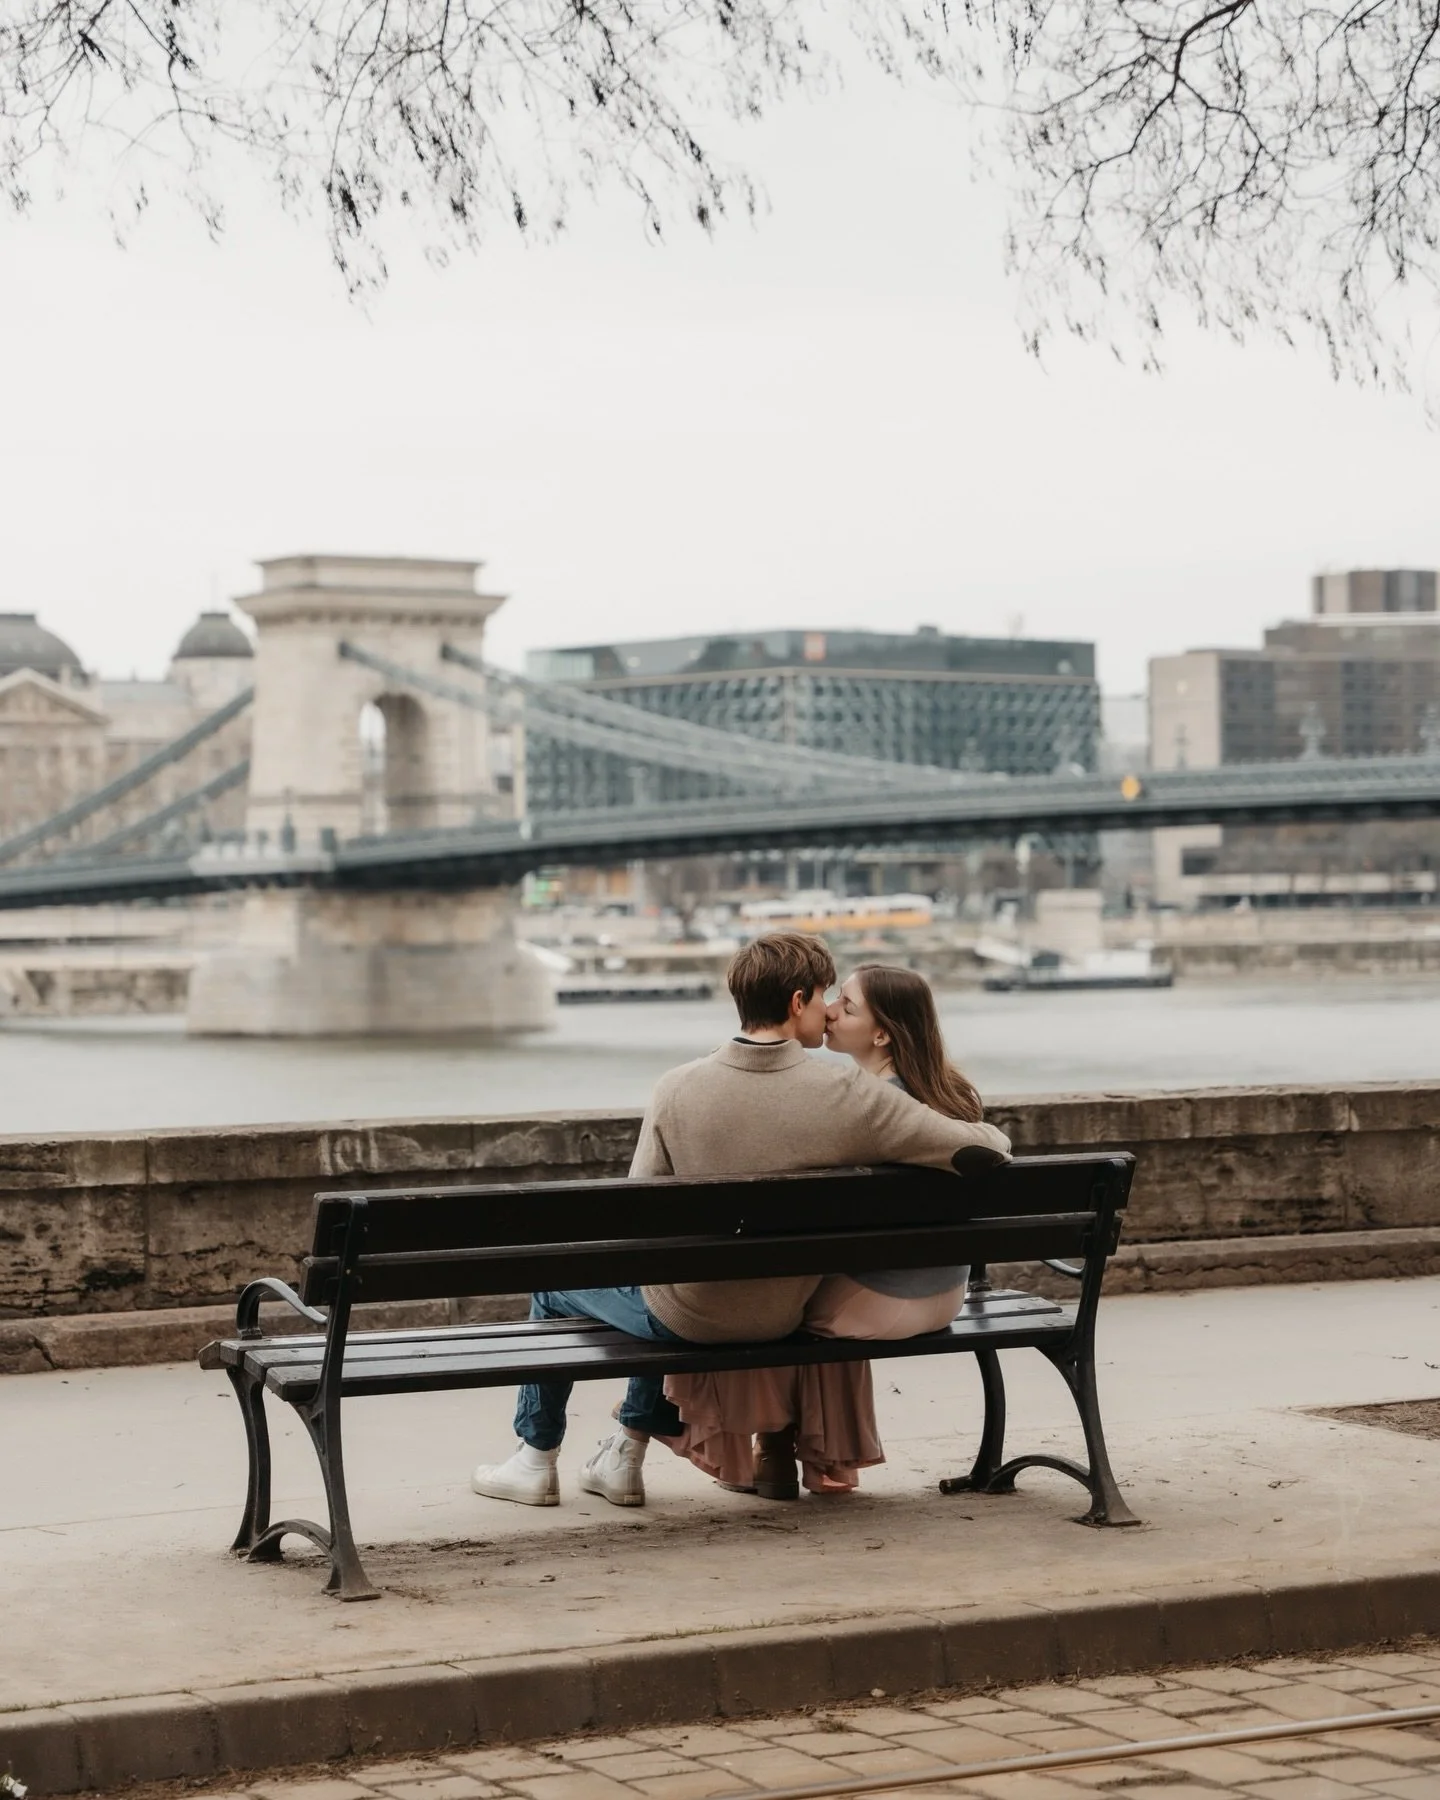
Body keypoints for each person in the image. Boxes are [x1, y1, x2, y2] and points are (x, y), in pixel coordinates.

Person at [470, 932, 1010, 1509]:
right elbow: (982, 1150)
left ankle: (536, 1458)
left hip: (693, 1315)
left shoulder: (678, 1089)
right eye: (825, 995)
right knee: (667, 1283)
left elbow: (637, 1225)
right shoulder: (849, 1092)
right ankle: (621, 1453)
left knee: (558, 1282)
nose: (828, 1010)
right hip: (784, 1313)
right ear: (798, 1001)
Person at [663, 963, 993, 1497]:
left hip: (881, 1303)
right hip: (947, 1295)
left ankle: (771, 1453)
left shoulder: (864, 1109)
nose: (831, 1009)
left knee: (766, 1303)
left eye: (848, 1004)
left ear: (882, 1033)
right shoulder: (952, 1097)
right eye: (832, 997)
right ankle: (817, 1455)